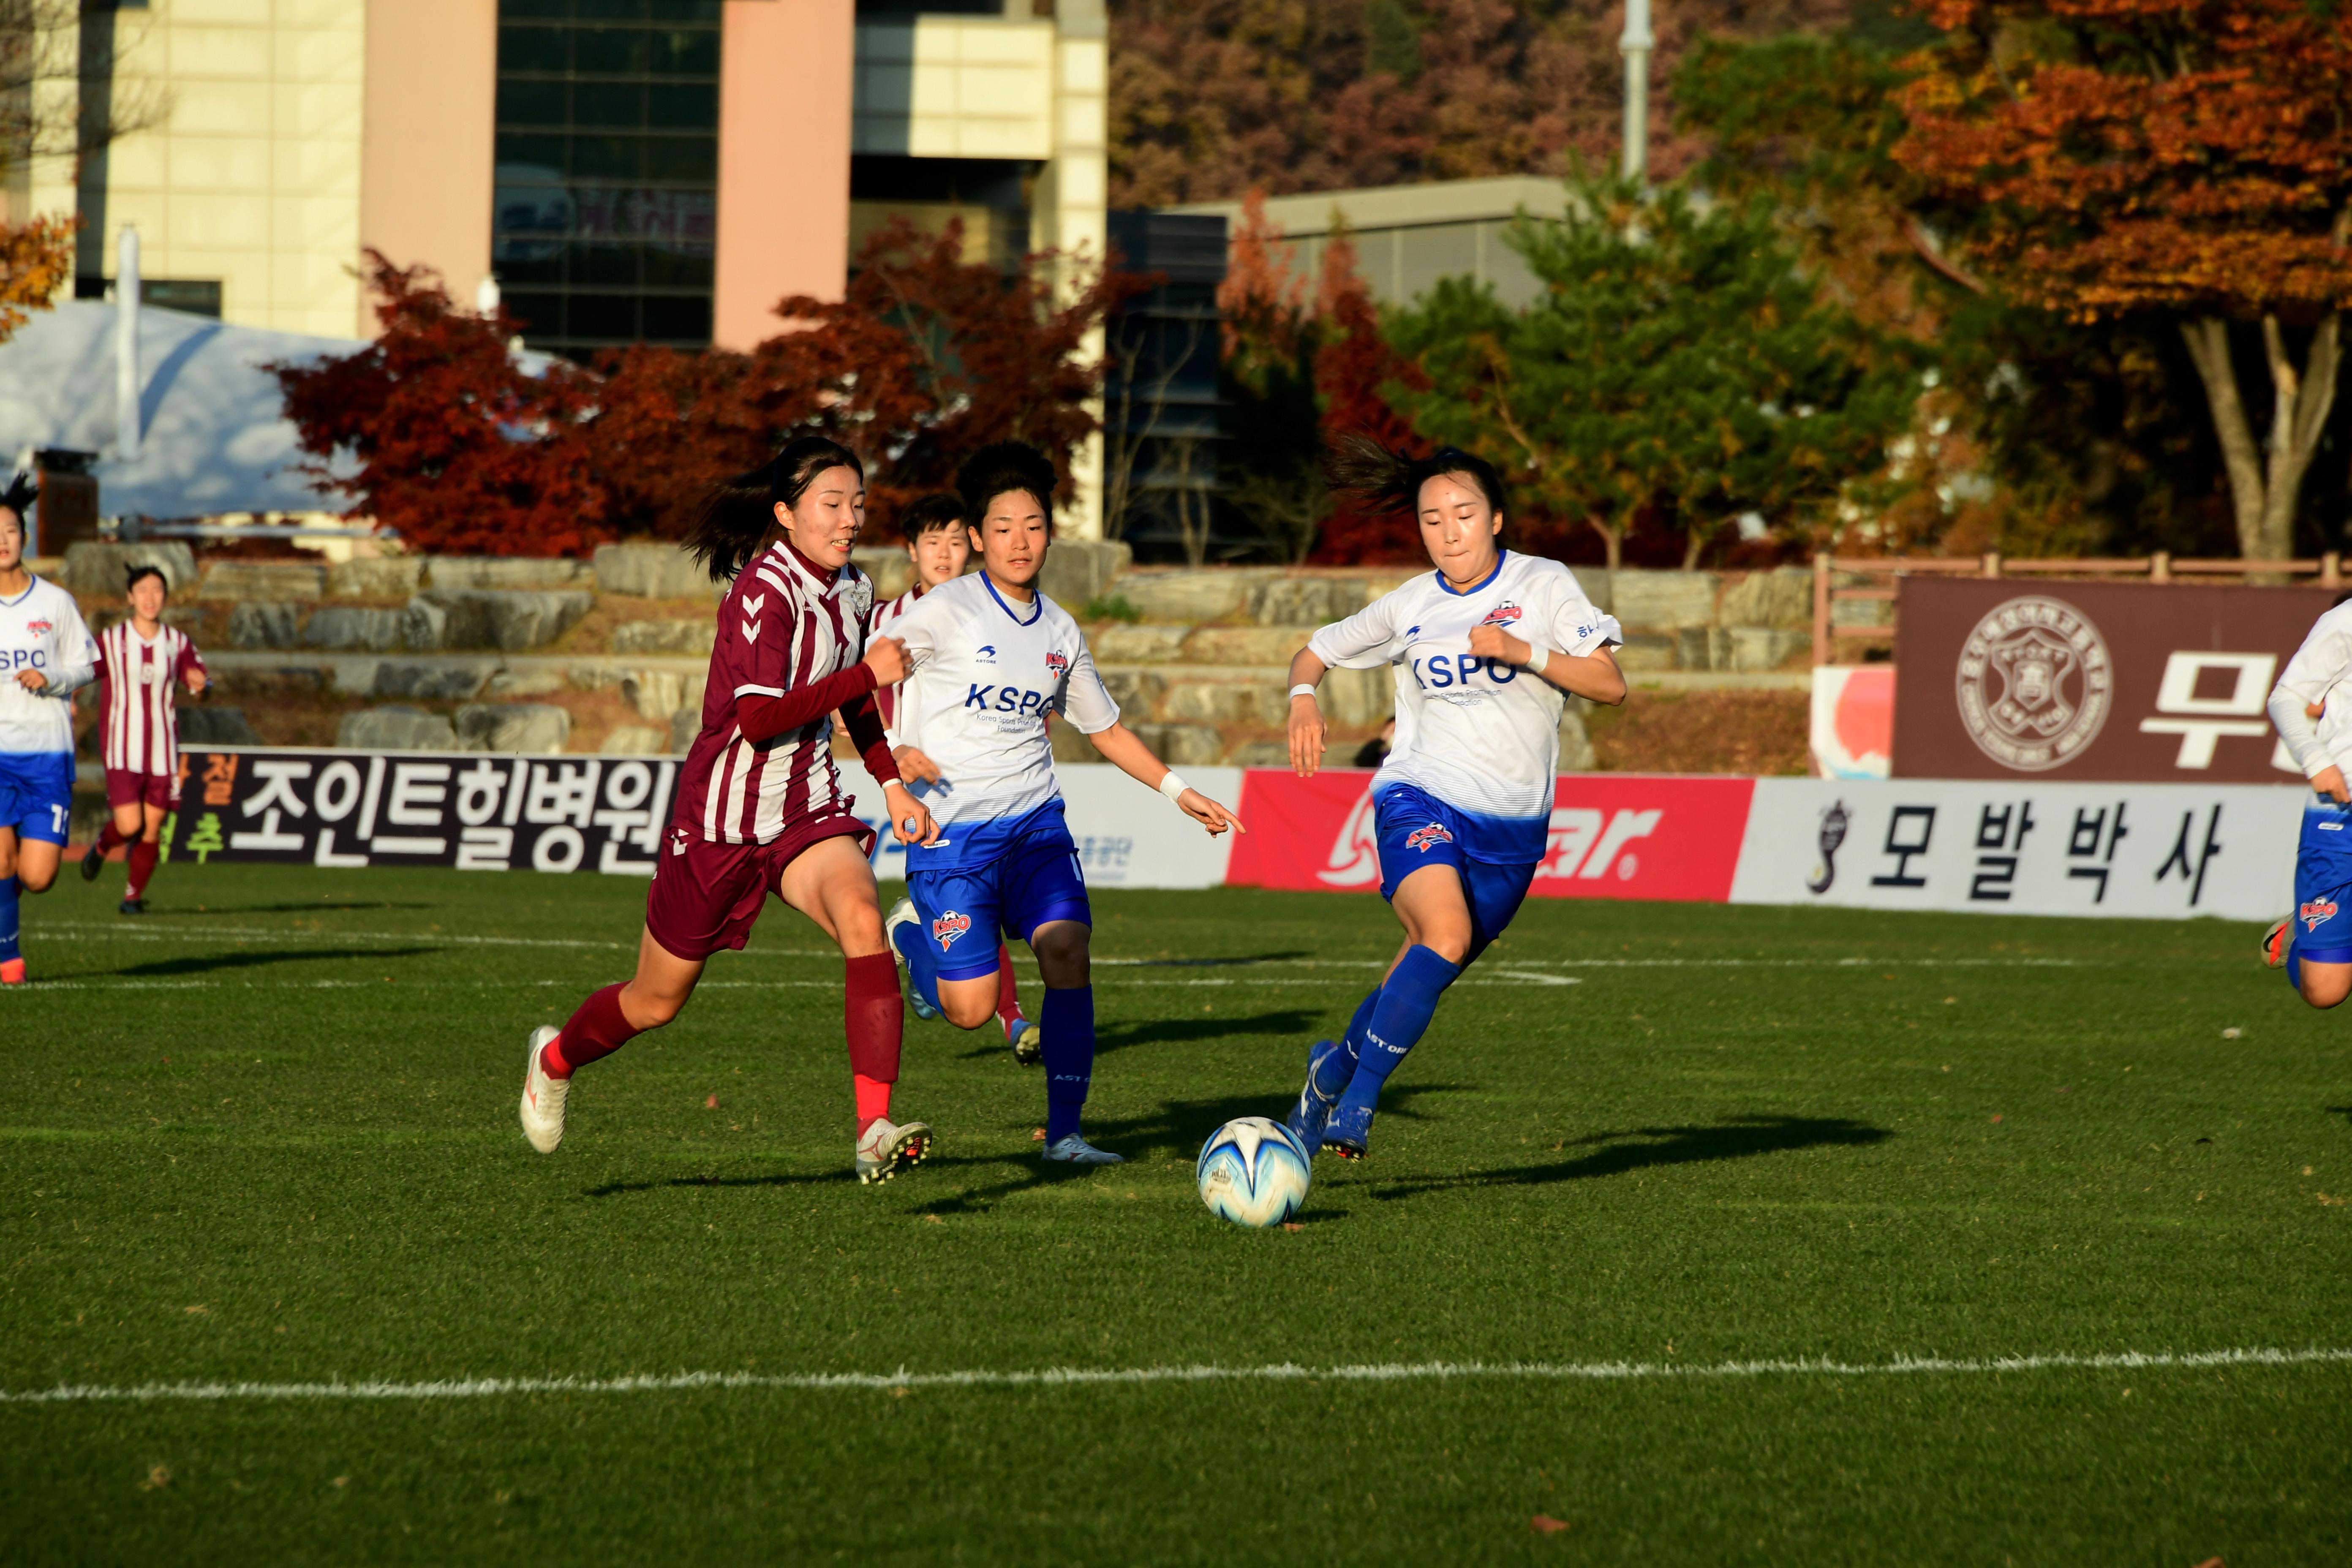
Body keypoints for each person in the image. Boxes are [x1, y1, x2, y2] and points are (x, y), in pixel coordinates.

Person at [517, 436, 944, 1184]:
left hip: (805, 806)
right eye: (832, 505)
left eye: (858, 504)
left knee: (862, 919)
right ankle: (554, 1061)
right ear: (785, 513)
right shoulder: (762, 593)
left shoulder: (852, 589)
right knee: (654, 1001)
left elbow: (855, 699)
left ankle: (872, 1128)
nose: (849, 519)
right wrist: (864, 675)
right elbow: (758, 720)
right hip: (718, 822)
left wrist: (889, 782)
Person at [881, 442, 1245, 1165]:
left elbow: (1103, 727)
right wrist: (891, 759)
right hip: (951, 837)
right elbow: (865, 681)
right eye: (1004, 527)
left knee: (1067, 952)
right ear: (978, 538)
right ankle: (913, 939)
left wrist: (1180, 792)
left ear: (1050, 534)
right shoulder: (943, 610)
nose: (1020, 541)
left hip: (1035, 827)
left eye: (1035, 525)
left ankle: (1066, 1134)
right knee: (971, 1010)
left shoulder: (1059, 630)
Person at [1281, 438, 1626, 1160]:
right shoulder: (1411, 603)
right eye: (1431, 518)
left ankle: (1329, 1073)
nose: (1447, 530)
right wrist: (1303, 697)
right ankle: (1360, 1101)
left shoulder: (1543, 583)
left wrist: (1522, 651)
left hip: (1512, 835)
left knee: (1422, 965)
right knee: (1443, 935)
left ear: (1496, 518)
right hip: (1419, 796)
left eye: (1462, 514)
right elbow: (1313, 651)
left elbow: (1609, 683)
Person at [872, 491, 1038, 1062]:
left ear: (972, 543)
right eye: (931, 542)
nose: (944, 553)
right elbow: (849, 701)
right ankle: (911, 936)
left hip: (982, 778)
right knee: (980, 889)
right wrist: (895, 751)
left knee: (991, 889)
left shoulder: (999, 611)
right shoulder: (887, 621)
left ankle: (1010, 1018)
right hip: (915, 784)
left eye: (953, 540)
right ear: (912, 550)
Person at [0, 473, 98, 986]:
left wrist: (53, 679)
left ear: (25, 537)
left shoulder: (54, 603)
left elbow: (88, 665)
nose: (2, 540)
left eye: (10, 529)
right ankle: (8, 960)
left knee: (37, 877)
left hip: (47, 758)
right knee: (0, 857)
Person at [79, 564, 208, 913]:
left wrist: (200, 684)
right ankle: (103, 847)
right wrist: (70, 700)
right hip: (122, 748)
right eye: (144, 591)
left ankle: (132, 897)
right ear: (130, 597)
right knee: (130, 824)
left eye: (157, 591)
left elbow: (200, 681)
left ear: (165, 597)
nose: (151, 598)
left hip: (163, 752)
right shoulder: (112, 640)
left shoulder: (177, 643)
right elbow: (83, 671)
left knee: (153, 827)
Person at [2262, 592, 2352, 1005]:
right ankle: (2302, 933)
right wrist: (2317, 761)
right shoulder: (2344, 621)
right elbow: (2286, 698)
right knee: (2325, 992)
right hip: (2340, 814)